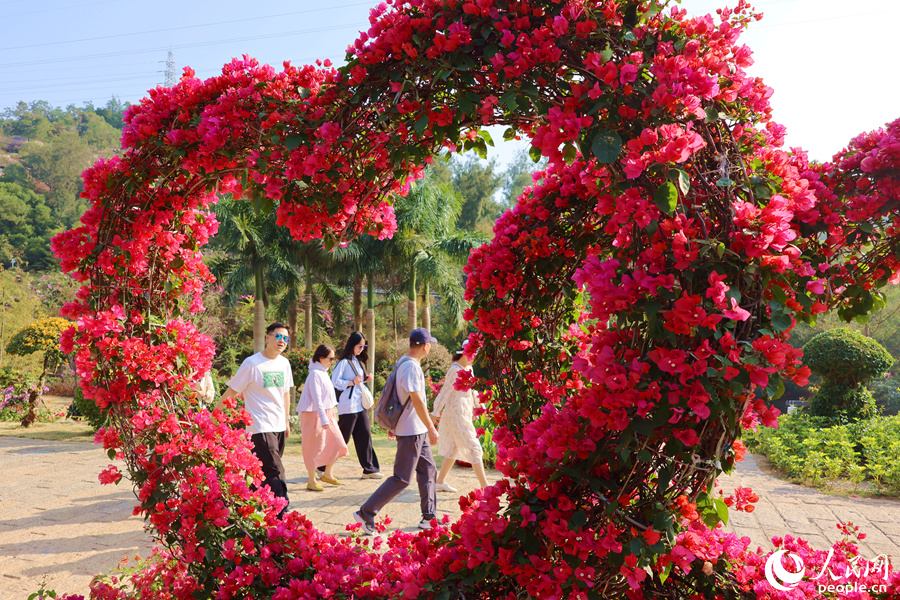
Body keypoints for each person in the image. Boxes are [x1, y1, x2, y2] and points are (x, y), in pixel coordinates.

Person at [353, 328, 440, 535]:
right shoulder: (411, 367)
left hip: (413, 429)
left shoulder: (404, 362)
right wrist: (431, 428)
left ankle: (429, 517)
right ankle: (366, 513)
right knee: (402, 478)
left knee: (429, 470)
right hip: (412, 430)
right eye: (430, 345)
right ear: (426, 346)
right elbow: (417, 400)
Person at [216, 322, 294, 516]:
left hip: (277, 426)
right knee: (276, 471)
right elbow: (232, 391)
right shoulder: (252, 363)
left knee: (261, 473)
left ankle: (246, 510)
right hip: (259, 427)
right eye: (278, 336)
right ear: (267, 337)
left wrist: (286, 420)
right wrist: (213, 417)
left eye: (285, 338)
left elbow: (285, 394)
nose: (282, 341)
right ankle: (283, 514)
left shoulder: (284, 363)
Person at [431, 343, 489, 491]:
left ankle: (440, 481)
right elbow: (444, 393)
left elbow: (473, 391)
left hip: (464, 411)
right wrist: (434, 414)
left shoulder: (469, 368)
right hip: (456, 414)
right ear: (464, 353)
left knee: (453, 447)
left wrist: (481, 408)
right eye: (473, 354)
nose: (474, 358)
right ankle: (485, 486)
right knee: (474, 448)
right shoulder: (454, 370)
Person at [331, 331, 383, 479]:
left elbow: (357, 381)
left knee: (365, 435)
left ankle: (370, 469)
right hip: (348, 406)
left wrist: (365, 379)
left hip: (359, 405)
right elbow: (335, 382)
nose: (362, 349)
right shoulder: (343, 363)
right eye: (360, 346)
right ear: (352, 345)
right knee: (342, 438)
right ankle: (322, 467)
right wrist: (353, 382)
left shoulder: (358, 361)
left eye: (364, 346)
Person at [297, 344, 349, 491]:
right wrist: (323, 417)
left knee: (338, 443)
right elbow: (317, 398)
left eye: (333, 358)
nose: (332, 361)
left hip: (327, 412)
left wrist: (330, 414)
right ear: (321, 358)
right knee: (314, 447)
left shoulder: (323, 372)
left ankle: (327, 474)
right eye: (330, 358)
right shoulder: (314, 374)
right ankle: (311, 480)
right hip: (314, 414)